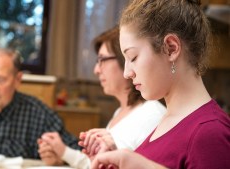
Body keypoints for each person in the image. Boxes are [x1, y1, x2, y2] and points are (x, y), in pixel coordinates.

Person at [91, 0, 230, 169]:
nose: (127, 73)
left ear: (171, 48)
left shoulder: (210, 132)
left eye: (133, 57)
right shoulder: (168, 120)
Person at [37, 27, 166, 169]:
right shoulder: (120, 112)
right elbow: (98, 163)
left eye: (102, 60)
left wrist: (64, 152)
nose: (96, 70)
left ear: (125, 59)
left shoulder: (151, 114)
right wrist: (61, 155)